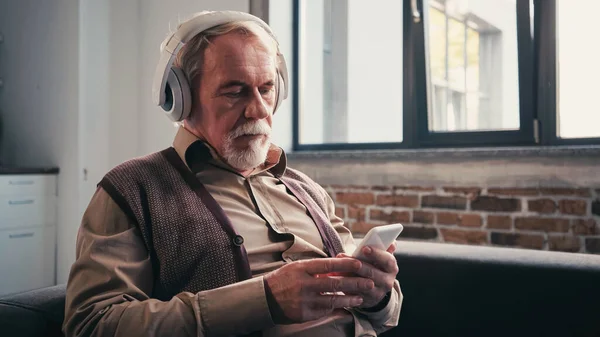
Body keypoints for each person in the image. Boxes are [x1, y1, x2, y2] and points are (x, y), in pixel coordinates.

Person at [63, 10, 402, 337]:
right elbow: (92, 324)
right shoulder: (133, 190)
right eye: (235, 91)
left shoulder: (307, 189)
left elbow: (388, 314)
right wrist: (264, 300)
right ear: (179, 99)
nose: (258, 110)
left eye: (266, 89)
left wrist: (378, 296)